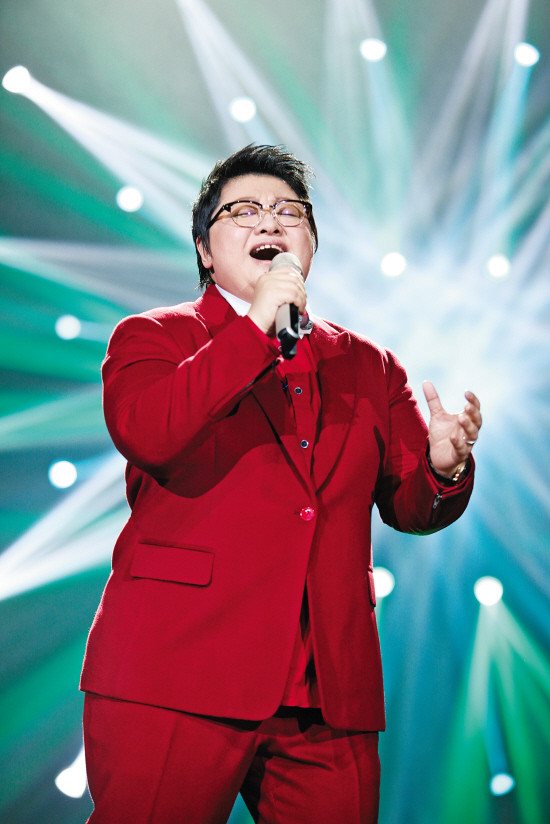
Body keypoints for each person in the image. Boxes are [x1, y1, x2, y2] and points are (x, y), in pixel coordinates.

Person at [80, 144, 482, 823]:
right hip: (178, 670)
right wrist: (255, 329)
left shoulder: (368, 364)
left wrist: (444, 470)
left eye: (289, 211)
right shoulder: (154, 337)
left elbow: (409, 507)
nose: (270, 221)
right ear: (205, 250)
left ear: (311, 244)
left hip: (327, 692)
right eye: (244, 211)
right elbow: (151, 433)